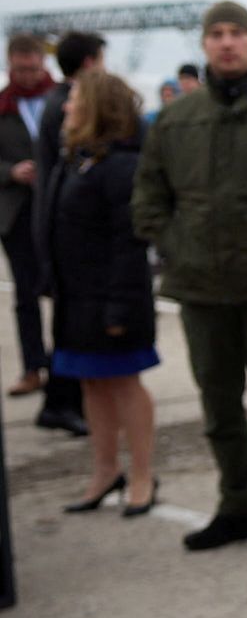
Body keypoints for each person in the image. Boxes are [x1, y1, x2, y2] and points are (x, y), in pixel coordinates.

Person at [132, 1, 247, 550]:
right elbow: (149, 197)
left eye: (237, 32)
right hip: (201, 288)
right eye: (216, 33)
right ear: (204, 44)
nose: (227, 42)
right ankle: (237, 505)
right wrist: (178, 247)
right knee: (218, 405)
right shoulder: (175, 120)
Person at [48, 70, 159, 515]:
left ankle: (142, 475)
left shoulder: (121, 165)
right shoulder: (77, 160)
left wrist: (118, 307)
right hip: (76, 300)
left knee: (124, 383)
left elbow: (127, 243)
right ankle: (105, 469)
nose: (67, 105)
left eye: (75, 97)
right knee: (92, 383)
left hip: (112, 299)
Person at [27, 34, 100, 437]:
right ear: (90, 62)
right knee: (69, 323)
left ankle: (61, 401)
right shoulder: (66, 106)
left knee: (70, 322)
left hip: (57, 224)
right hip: (63, 228)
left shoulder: (57, 101)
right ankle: (61, 402)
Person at [1, 33, 57, 399]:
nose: (27, 75)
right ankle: (32, 367)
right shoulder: (2, 107)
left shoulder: (63, 100)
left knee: (65, 289)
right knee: (26, 294)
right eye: (20, 69)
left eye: (33, 68)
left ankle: (66, 367)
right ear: (10, 66)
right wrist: (10, 172)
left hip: (59, 209)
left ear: (43, 64)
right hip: (17, 213)